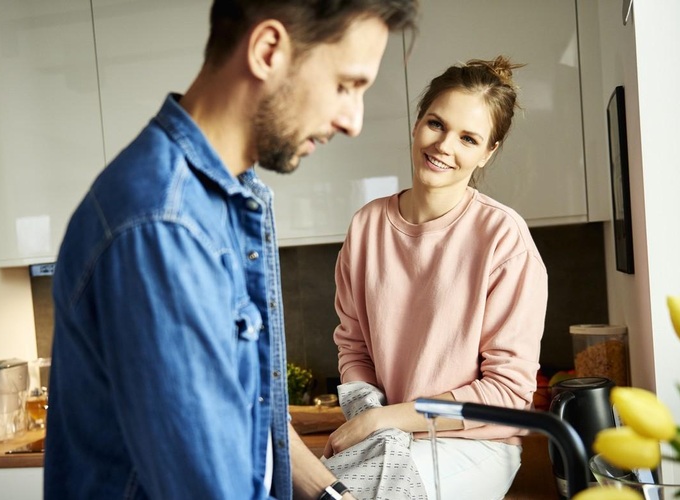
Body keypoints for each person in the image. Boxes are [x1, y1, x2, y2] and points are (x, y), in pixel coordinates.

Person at [43, 1, 419, 499]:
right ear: (268, 51)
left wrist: (337, 496)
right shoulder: (164, 225)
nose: (353, 120)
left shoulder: (224, 199)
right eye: (345, 86)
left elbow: (252, 420)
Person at [325, 56, 548, 499]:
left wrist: (384, 419)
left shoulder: (504, 238)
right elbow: (353, 347)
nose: (444, 145)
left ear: (488, 152)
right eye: (436, 124)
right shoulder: (367, 225)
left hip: (473, 443)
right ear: (417, 124)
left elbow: (506, 392)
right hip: (386, 431)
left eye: (468, 138)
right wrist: (371, 415)